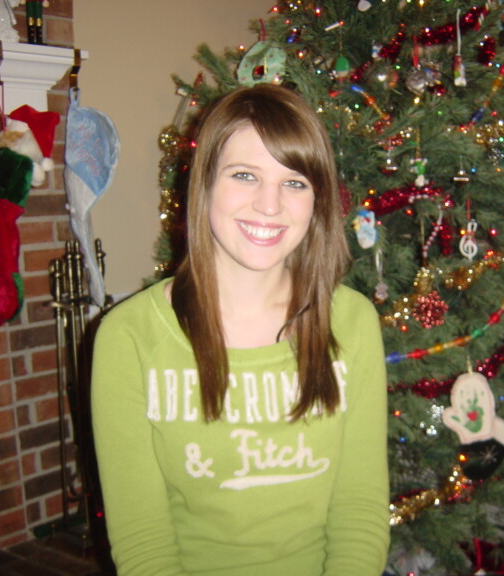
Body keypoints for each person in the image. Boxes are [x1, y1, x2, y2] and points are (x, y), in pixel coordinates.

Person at [91, 84, 390, 576]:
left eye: (294, 182)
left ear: (317, 200)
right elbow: (144, 543)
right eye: (245, 175)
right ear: (205, 183)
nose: (269, 205)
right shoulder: (128, 337)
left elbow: (359, 510)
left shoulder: (352, 322)